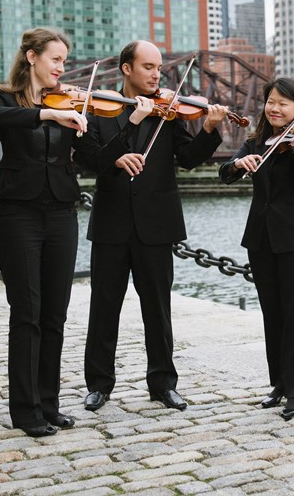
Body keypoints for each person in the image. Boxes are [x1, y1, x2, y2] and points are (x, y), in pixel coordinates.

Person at [72, 40, 227, 412]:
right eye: (147, 67)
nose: (156, 75)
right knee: (104, 307)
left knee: (158, 309)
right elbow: (90, 160)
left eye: (159, 68)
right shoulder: (99, 110)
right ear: (126, 68)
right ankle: (99, 384)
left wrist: (209, 128)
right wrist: (130, 129)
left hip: (157, 225)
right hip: (111, 224)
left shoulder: (167, 111)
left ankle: (163, 384)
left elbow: (188, 159)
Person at [0, 27, 88, 438]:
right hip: (19, 215)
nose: (62, 67)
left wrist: (125, 120)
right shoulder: (2, 97)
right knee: (27, 314)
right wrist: (48, 113)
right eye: (55, 59)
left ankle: (48, 404)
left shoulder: (71, 101)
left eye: (64, 60)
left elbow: (93, 152)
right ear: (31, 57)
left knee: (55, 315)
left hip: (61, 212)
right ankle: (25, 411)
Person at [218, 77, 294, 420]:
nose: (275, 108)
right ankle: (278, 383)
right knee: (272, 314)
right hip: (261, 238)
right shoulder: (254, 142)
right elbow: (224, 173)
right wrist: (237, 164)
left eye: (284, 103)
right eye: (271, 101)